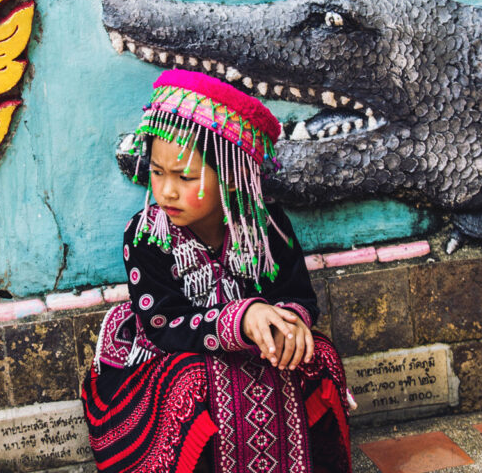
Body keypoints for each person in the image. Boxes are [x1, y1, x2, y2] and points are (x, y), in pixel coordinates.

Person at [82, 70, 354, 473]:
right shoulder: (146, 236)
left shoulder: (266, 227)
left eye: (185, 176)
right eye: (157, 172)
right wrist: (240, 319)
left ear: (231, 177)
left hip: (257, 351)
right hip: (173, 354)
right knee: (192, 381)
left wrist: (290, 324)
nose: (166, 191)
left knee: (319, 355)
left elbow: (297, 294)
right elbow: (163, 325)